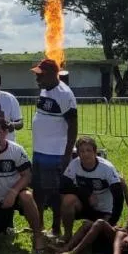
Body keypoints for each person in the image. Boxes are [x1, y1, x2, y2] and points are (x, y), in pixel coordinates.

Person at [0, 119, 47, 252]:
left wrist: (13, 192)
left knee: (27, 196)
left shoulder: (16, 149)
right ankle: (3, 225)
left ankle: (38, 235)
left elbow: (27, 175)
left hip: (14, 195)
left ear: (6, 132)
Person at [30, 58, 78, 239]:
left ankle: (56, 228)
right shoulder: (44, 89)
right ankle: (39, 225)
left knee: (54, 193)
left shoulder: (65, 95)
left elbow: (73, 126)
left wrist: (67, 154)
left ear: (51, 74)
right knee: (38, 190)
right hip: (39, 150)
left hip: (55, 153)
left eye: (40, 75)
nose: (37, 79)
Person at [51, 176, 128, 254]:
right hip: (125, 236)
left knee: (102, 223)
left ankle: (73, 253)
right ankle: (66, 248)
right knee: (88, 223)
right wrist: (123, 185)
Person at [59, 137, 124, 240]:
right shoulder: (74, 164)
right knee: (68, 200)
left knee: (98, 242)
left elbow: (119, 197)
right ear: (78, 153)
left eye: (88, 150)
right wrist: (87, 194)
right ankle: (67, 235)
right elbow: (63, 187)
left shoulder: (106, 168)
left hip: (105, 210)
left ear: (95, 151)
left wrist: (112, 221)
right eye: (82, 151)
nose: (85, 154)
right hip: (86, 205)